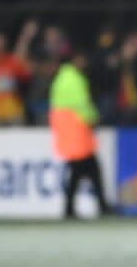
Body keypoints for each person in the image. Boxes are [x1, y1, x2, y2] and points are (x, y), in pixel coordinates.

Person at [49, 48, 114, 219]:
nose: (85, 64)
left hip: (70, 130)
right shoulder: (73, 79)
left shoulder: (63, 77)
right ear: (77, 59)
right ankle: (94, 207)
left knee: (83, 171)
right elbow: (82, 104)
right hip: (76, 130)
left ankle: (78, 207)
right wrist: (94, 118)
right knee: (85, 169)